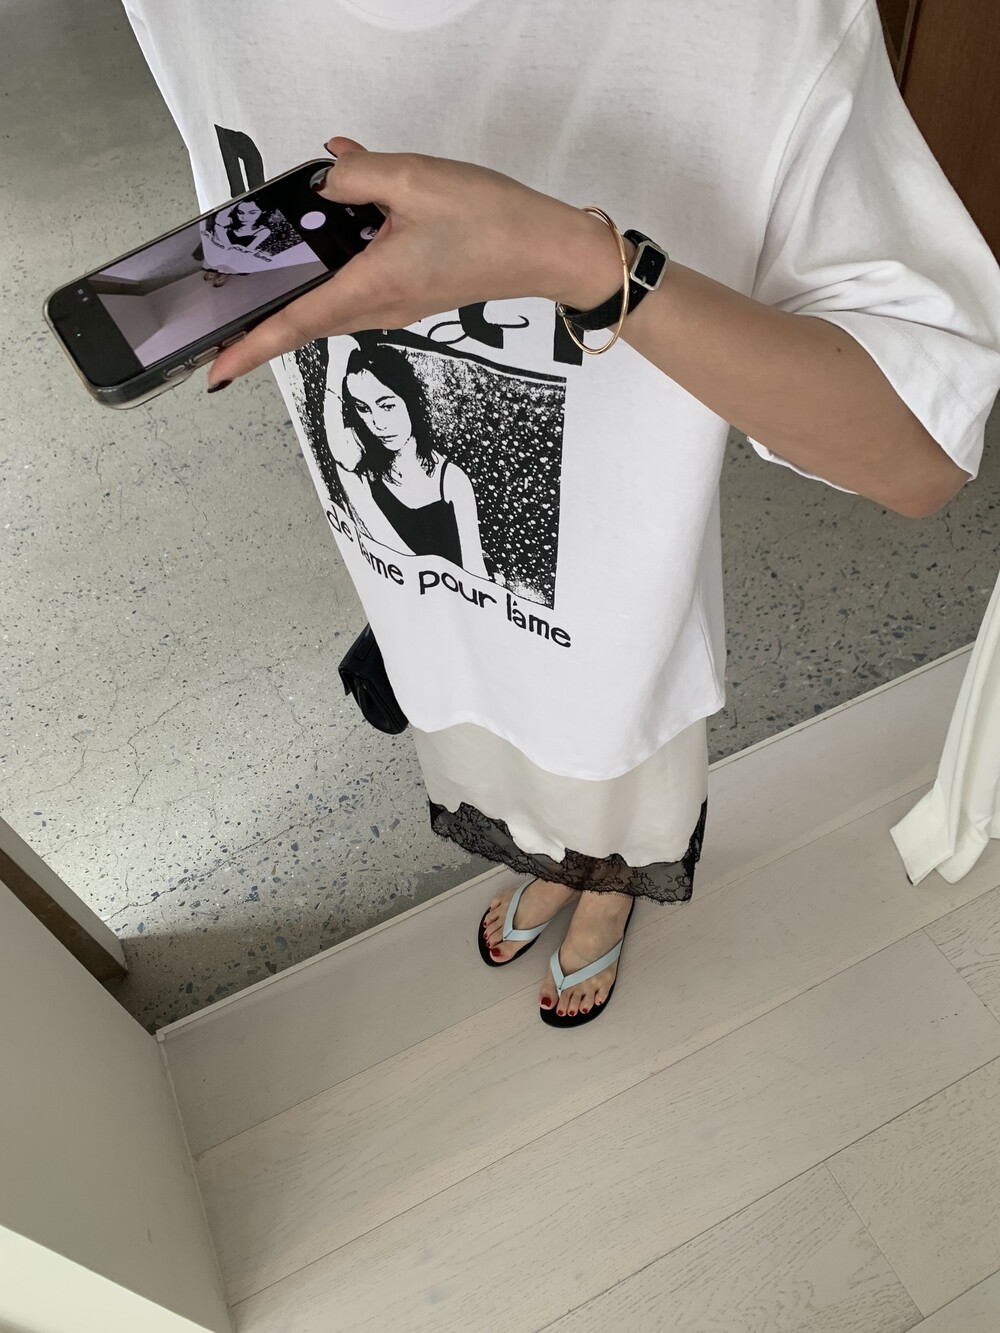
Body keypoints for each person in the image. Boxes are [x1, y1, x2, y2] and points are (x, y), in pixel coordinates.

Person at [124, 0, 1000, 1029]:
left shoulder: (756, 24)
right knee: (500, 767)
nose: (376, 410)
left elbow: (918, 455)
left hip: (614, 598)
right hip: (418, 606)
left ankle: (608, 888)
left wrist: (574, 262)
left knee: (612, 776)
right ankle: (555, 863)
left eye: (386, 405)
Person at [330, 341, 490, 575]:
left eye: (387, 406)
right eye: (363, 409)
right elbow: (337, 447)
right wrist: (336, 363)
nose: (378, 424)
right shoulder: (362, 468)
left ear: (409, 400)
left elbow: (476, 572)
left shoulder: (451, 481)